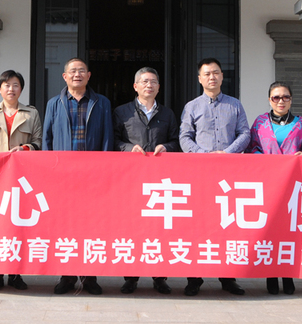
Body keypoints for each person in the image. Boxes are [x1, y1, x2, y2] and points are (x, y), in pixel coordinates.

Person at [179, 58, 249, 297]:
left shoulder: (235, 104)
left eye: (216, 73)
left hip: (229, 175)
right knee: (198, 225)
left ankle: (228, 278)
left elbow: (244, 133)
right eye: (207, 73)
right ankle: (194, 278)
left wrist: (227, 154)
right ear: (200, 78)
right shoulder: (192, 106)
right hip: (200, 174)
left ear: (222, 76)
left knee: (227, 225)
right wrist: (204, 156)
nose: (212, 77)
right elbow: (185, 137)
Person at [43, 57, 112, 295]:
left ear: (89, 75)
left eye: (82, 70)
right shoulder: (54, 104)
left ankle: (90, 277)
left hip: (92, 176)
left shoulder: (101, 103)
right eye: (72, 71)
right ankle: (67, 276)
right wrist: (50, 171)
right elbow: (47, 139)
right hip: (63, 177)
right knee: (65, 226)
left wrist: (104, 170)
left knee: (92, 226)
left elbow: (107, 138)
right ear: (64, 76)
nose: (77, 74)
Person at [113, 67, 179, 295]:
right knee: (132, 227)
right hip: (131, 178)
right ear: (135, 86)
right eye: (144, 81)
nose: (149, 85)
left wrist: (167, 147)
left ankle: (160, 277)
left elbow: (176, 141)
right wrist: (128, 148)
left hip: (159, 181)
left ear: (159, 87)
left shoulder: (168, 114)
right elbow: (113, 140)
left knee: (158, 229)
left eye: (153, 82)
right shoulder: (122, 112)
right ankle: (130, 277)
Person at [0, 69, 42, 292]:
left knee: (17, 226)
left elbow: (38, 142)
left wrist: (25, 148)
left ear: (21, 89)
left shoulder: (31, 114)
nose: (11, 89)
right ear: (0, 89)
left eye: (15, 85)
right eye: (6, 85)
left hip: (20, 178)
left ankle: (15, 274)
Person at [247, 81, 302, 296]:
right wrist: (263, 159)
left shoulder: (300, 124)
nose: (281, 101)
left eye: (285, 97)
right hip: (267, 183)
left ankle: (288, 274)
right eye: (276, 97)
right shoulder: (260, 123)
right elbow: (252, 148)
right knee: (270, 229)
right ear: (269, 100)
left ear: (291, 100)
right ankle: (271, 274)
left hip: (292, 184)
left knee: (289, 230)